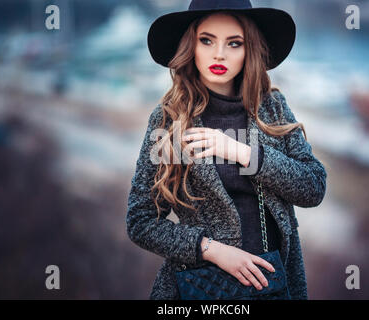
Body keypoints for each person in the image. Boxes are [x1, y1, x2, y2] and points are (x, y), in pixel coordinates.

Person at [126, 0, 327, 300]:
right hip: (199, 290)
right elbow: (141, 221)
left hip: (273, 288)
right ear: (190, 46)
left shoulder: (270, 108)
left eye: (234, 43)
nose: (219, 53)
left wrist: (244, 152)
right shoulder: (171, 120)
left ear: (249, 50)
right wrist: (212, 250)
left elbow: (313, 187)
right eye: (207, 40)